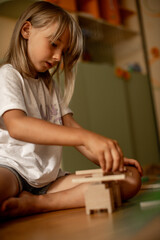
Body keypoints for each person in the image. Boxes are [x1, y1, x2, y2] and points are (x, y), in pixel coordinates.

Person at [0, 1, 142, 219]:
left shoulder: (49, 85)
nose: (58, 57)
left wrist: (107, 156)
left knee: (130, 179)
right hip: (11, 171)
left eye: (63, 51)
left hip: (49, 181)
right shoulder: (8, 75)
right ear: (26, 30)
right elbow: (17, 126)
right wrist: (87, 137)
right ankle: (28, 200)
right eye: (54, 44)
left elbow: (72, 129)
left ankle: (39, 204)